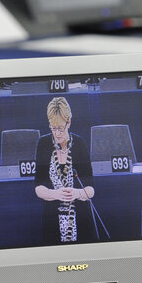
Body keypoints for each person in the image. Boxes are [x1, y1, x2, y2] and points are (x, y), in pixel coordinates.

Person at [34, 97, 97, 244]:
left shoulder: (79, 144)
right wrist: (55, 194)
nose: (57, 133)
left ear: (68, 122)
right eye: (53, 128)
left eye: (60, 128)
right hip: (52, 221)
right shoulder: (43, 144)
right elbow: (38, 187)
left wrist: (78, 193)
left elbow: (91, 189)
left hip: (81, 218)